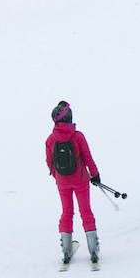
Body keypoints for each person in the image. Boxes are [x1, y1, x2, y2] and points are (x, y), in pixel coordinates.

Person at [45, 101, 102, 267]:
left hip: (62, 182)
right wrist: (95, 175)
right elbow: (88, 157)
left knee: (67, 212)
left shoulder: (50, 139)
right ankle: (93, 249)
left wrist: (58, 177)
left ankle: (66, 249)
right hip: (80, 180)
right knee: (86, 211)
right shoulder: (78, 136)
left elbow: (49, 162)